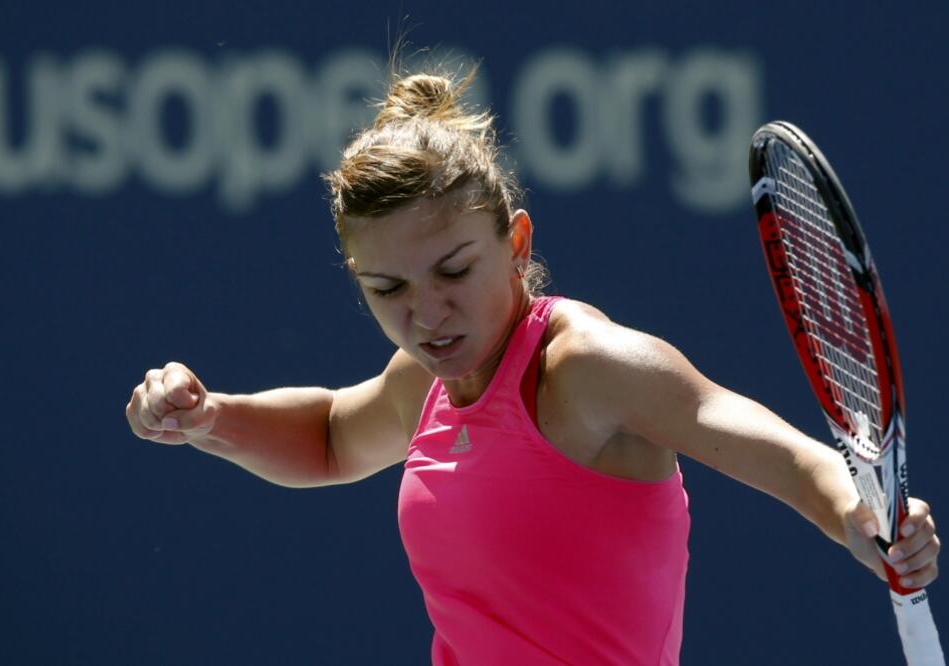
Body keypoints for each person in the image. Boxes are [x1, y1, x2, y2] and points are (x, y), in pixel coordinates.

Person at [125, 65, 940, 665]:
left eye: (453, 272)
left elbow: (779, 451)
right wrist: (212, 420)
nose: (425, 314)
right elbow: (336, 438)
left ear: (516, 244)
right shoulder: (427, 380)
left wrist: (858, 518)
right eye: (387, 289)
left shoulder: (589, 369)